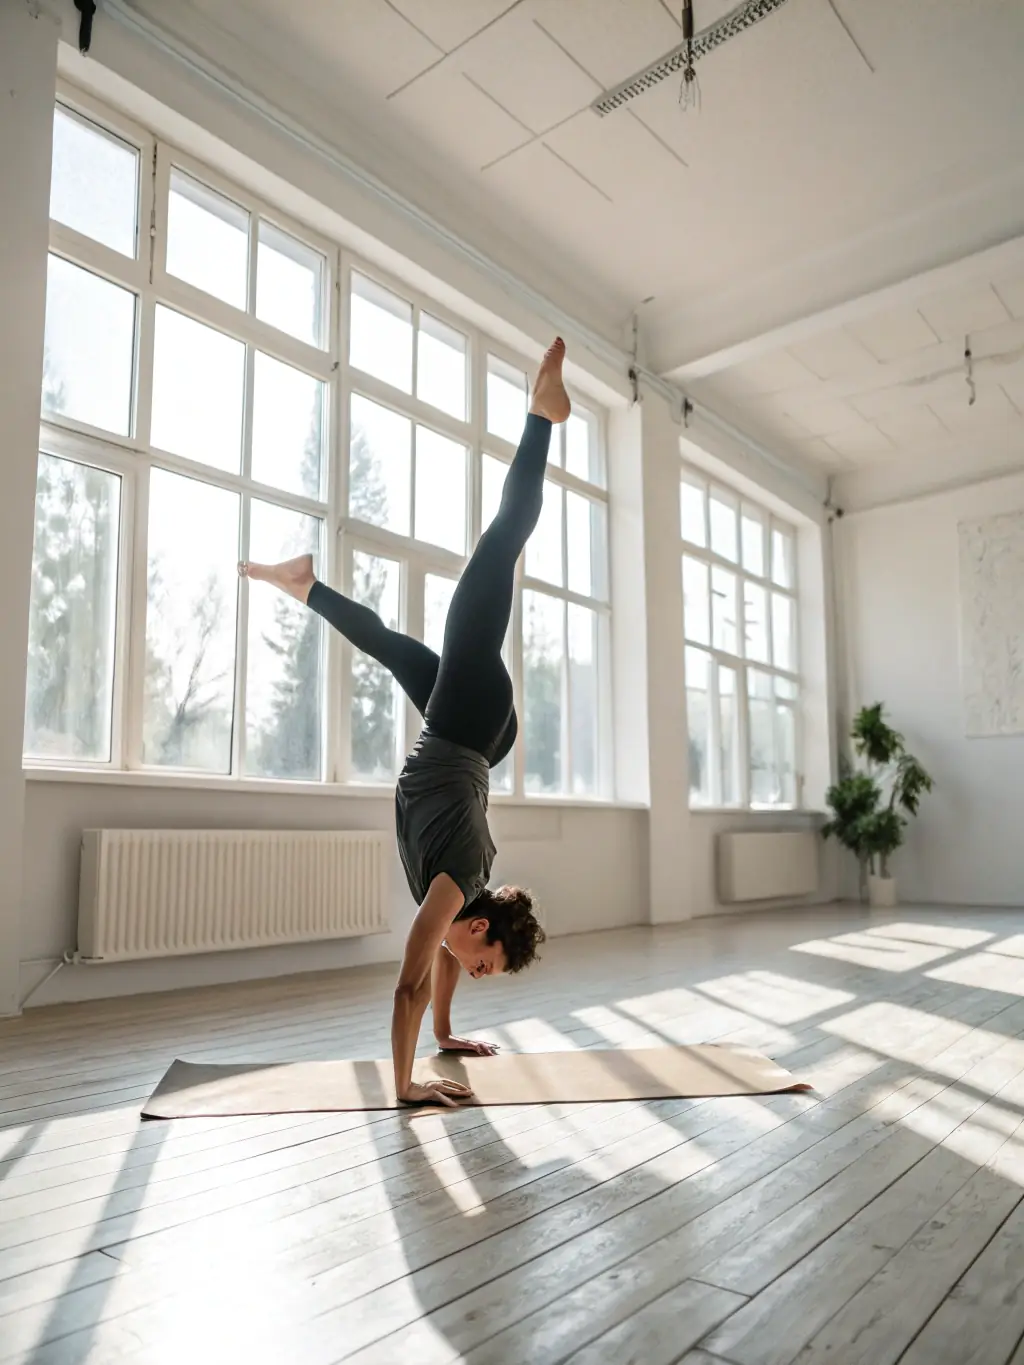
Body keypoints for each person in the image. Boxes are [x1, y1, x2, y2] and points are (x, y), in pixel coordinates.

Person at [239, 338, 571, 1107]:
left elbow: (443, 969)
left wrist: (447, 1036)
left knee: (391, 649)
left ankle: (306, 584)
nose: (473, 970)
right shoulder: (457, 882)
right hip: (473, 719)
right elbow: (406, 987)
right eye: (488, 966)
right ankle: (543, 416)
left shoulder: (462, 902)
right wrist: (405, 1086)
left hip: (475, 735)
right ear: (483, 927)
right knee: (497, 550)